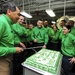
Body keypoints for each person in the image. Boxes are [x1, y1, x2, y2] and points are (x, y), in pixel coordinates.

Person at [0, 2, 24, 75]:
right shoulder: (1, 22)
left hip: (8, 58)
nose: (19, 17)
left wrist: (18, 43)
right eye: (18, 14)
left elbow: (7, 39)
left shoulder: (9, 23)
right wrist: (14, 50)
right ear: (9, 12)